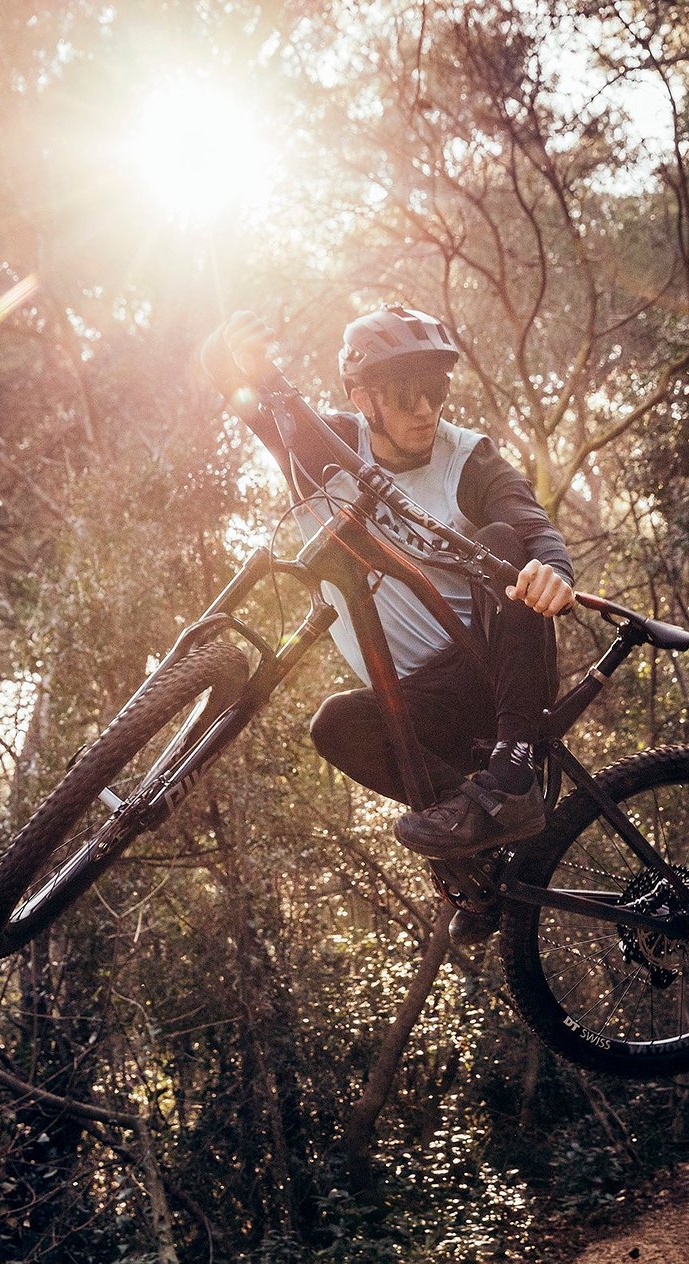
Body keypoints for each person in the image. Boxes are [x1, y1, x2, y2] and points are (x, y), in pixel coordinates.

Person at [200, 305, 575, 944]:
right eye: (405, 395)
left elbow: (531, 524)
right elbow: (242, 394)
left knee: (502, 537)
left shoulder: (468, 460)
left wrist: (552, 571)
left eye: (436, 392)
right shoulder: (323, 444)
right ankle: (476, 855)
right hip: (417, 705)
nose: (426, 410)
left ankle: (512, 784)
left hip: (493, 678)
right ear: (361, 398)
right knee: (336, 723)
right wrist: (230, 349)